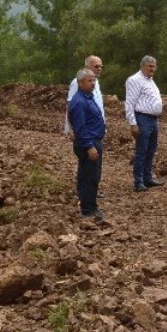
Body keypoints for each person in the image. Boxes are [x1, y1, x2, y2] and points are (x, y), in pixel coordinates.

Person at [67, 68, 106, 220]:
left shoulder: (88, 97)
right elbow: (80, 127)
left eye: (94, 80)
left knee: (87, 174)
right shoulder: (79, 101)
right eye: (89, 81)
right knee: (91, 176)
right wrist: (89, 146)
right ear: (80, 83)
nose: (93, 83)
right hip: (89, 142)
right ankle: (89, 209)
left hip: (93, 140)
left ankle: (86, 204)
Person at [125, 55, 164, 192]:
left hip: (153, 119)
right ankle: (138, 181)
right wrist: (133, 123)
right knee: (142, 150)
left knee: (151, 150)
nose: (152, 69)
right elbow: (130, 102)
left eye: (154, 66)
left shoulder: (150, 81)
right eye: (150, 66)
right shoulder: (135, 80)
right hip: (142, 118)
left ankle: (147, 178)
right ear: (142, 66)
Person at [65, 55, 105, 139]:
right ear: (86, 67)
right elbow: (70, 105)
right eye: (96, 66)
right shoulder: (78, 82)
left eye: (101, 66)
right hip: (86, 131)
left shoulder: (95, 82)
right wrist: (72, 129)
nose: (99, 68)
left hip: (95, 129)